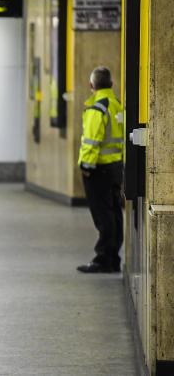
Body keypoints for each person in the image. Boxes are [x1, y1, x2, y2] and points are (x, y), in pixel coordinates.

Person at [77, 66, 125, 273]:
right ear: (111, 84)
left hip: (99, 168)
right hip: (115, 167)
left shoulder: (98, 108)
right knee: (115, 213)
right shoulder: (117, 105)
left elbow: (91, 140)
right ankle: (113, 258)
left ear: (91, 85)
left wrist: (86, 166)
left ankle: (103, 259)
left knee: (103, 215)